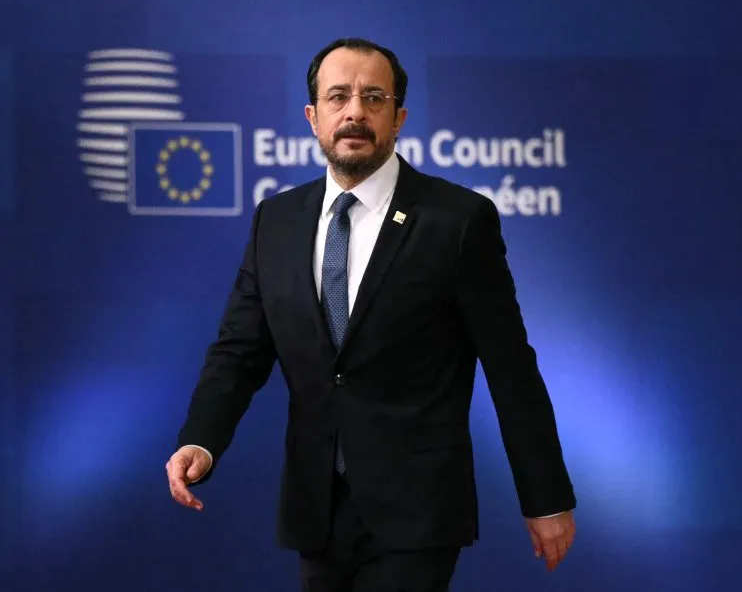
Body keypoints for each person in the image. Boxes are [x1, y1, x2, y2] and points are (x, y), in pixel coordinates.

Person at [164, 37, 577, 592]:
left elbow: (511, 369)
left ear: (398, 118)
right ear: (313, 117)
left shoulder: (457, 220)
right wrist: (201, 439)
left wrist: (546, 497)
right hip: (316, 509)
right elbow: (239, 350)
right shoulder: (276, 221)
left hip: (418, 511)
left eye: (374, 98)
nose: (354, 112)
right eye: (338, 97)